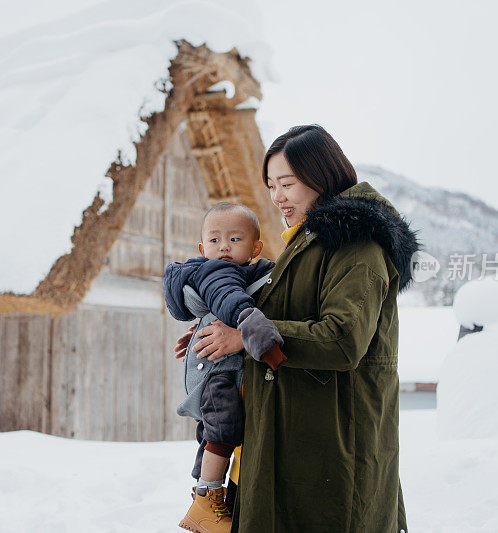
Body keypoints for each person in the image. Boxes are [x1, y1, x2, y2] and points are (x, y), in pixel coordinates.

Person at [175, 125, 418, 532]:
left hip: (331, 443)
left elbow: (343, 338)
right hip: (293, 436)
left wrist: (243, 337)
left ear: (321, 176)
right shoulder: (310, 240)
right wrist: (222, 332)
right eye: (271, 185)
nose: (277, 197)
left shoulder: (356, 242)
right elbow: (283, 313)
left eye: (287, 183)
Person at [164, 202, 287, 533]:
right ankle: (207, 499)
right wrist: (263, 340)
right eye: (215, 241)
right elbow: (231, 302)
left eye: (235, 239)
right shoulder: (218, 271)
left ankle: (203, 493)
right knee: (224, 428)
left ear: (255, 248)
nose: (224, 247)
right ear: (202, 249)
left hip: (214, 364)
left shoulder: (245, 272)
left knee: (214, 433)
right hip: (216, 371)